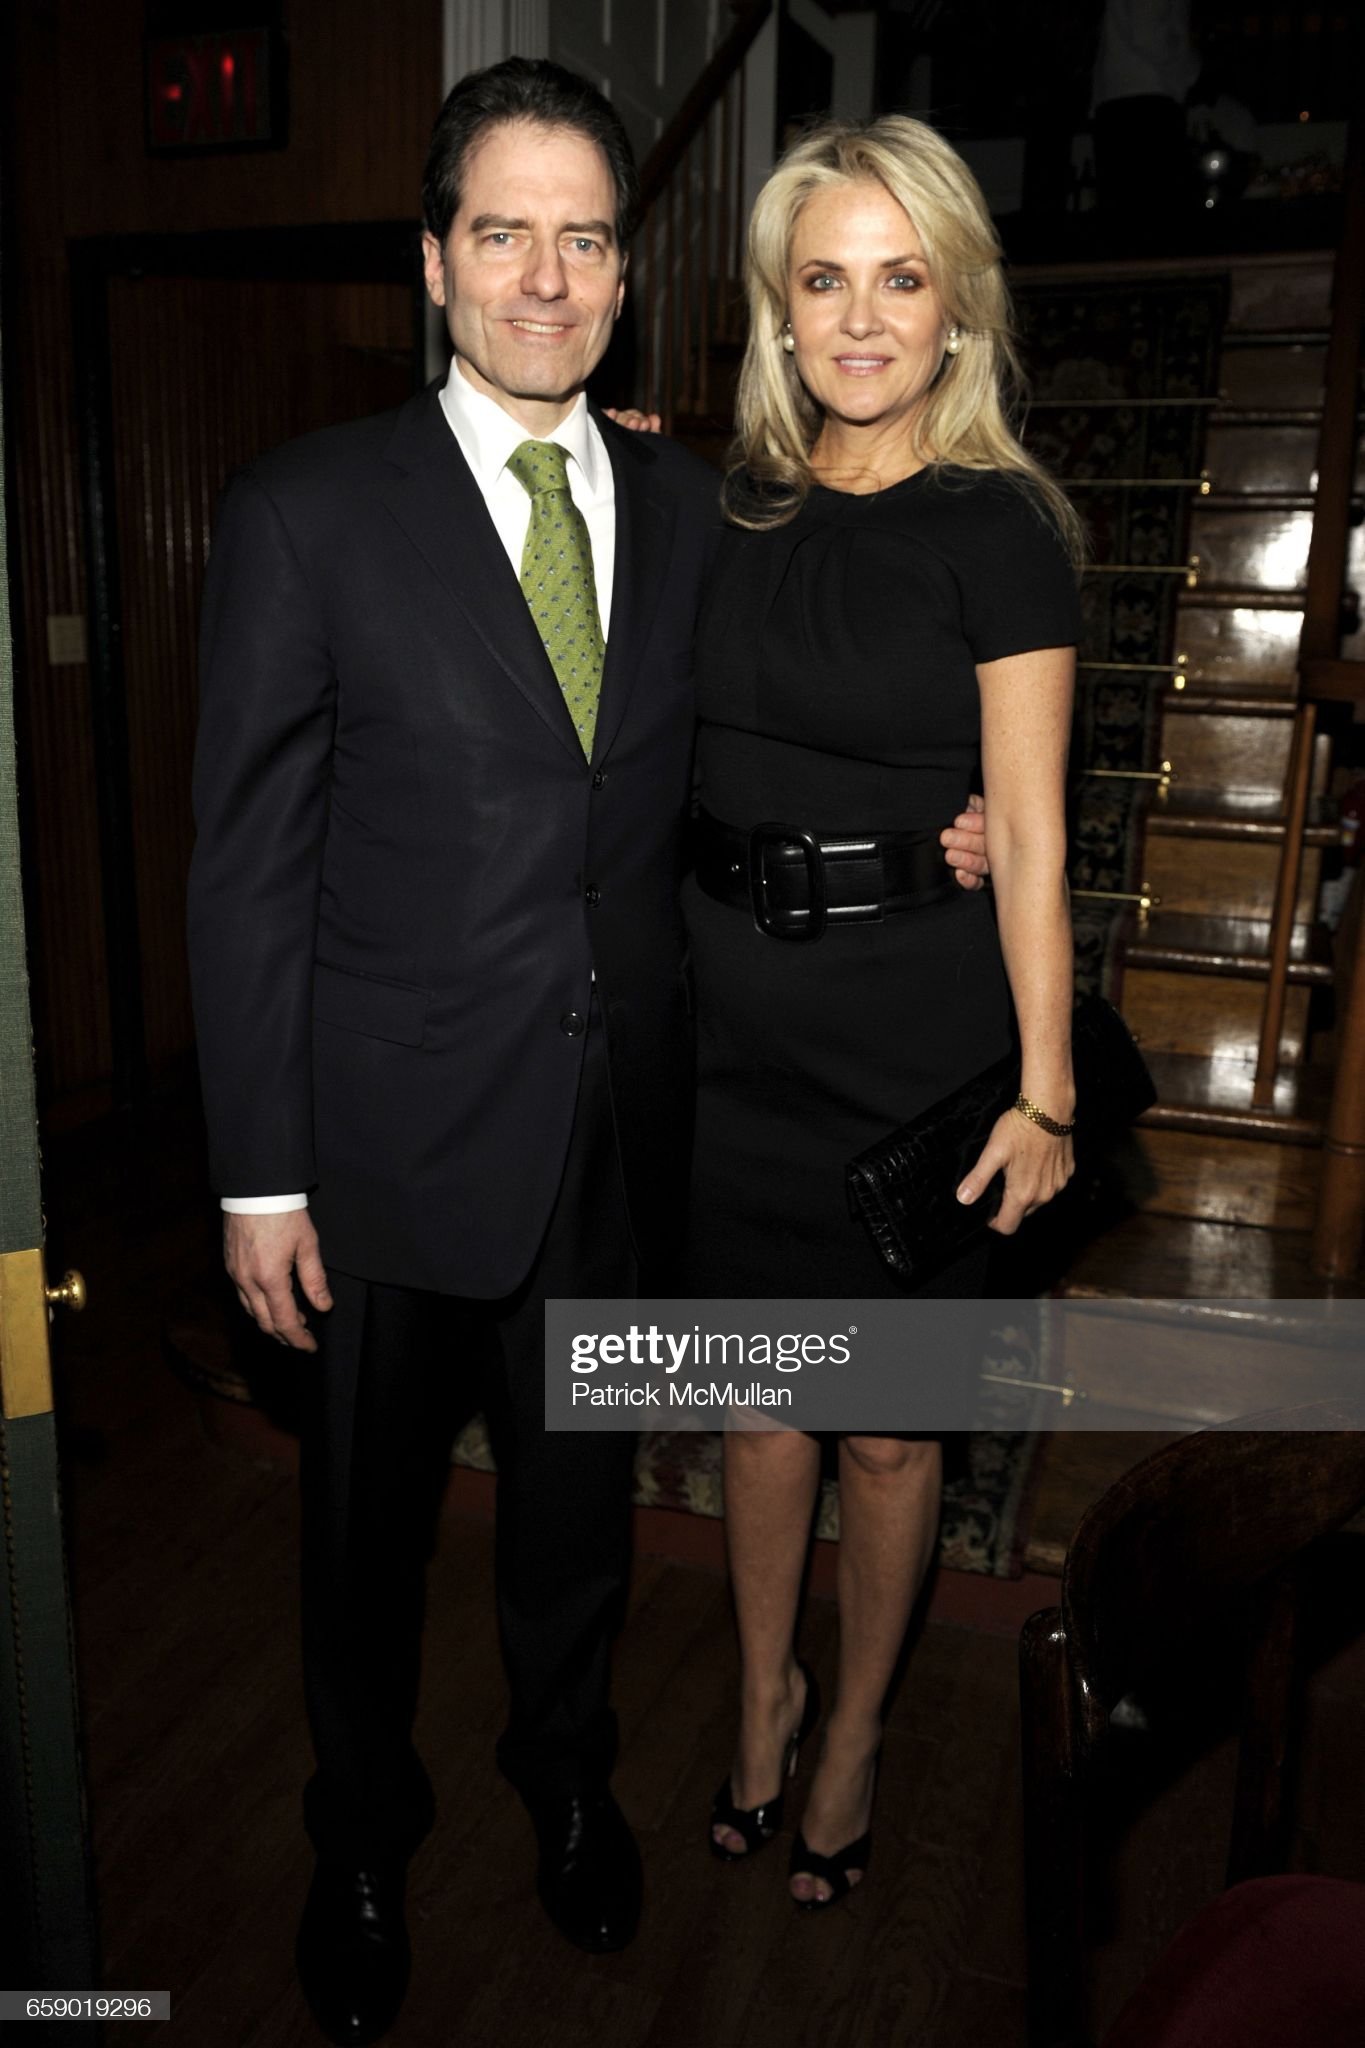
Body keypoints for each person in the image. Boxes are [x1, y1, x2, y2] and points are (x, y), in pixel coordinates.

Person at [187, 55, 991, 2045]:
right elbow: (246, 868)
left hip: (622, 1137)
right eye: (502, 236)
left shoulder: (700, 505)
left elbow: (816, 702)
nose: (543, 279)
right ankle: (361, 1841)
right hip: (376, 1153)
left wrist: (942, 828)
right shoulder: (305, 510)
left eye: (582, 240)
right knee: (361, 1546)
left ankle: (565, 1784)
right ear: (433, 262)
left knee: (573, 1524)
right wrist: (258, 1175)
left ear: (626, 275)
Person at [682, 116, 1081, 1909]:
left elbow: (1038, 834)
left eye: (898, 279)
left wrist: (1045, 1093)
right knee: (761, 1412)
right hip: (728, 1040)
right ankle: (758, 1697)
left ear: (954, 306)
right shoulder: (717, 511)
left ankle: (851, 1731)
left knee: (888, 1428)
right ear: (777, 311)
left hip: (915, 1041)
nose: (858, 319)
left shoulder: (1001, 529)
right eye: (822, 280)